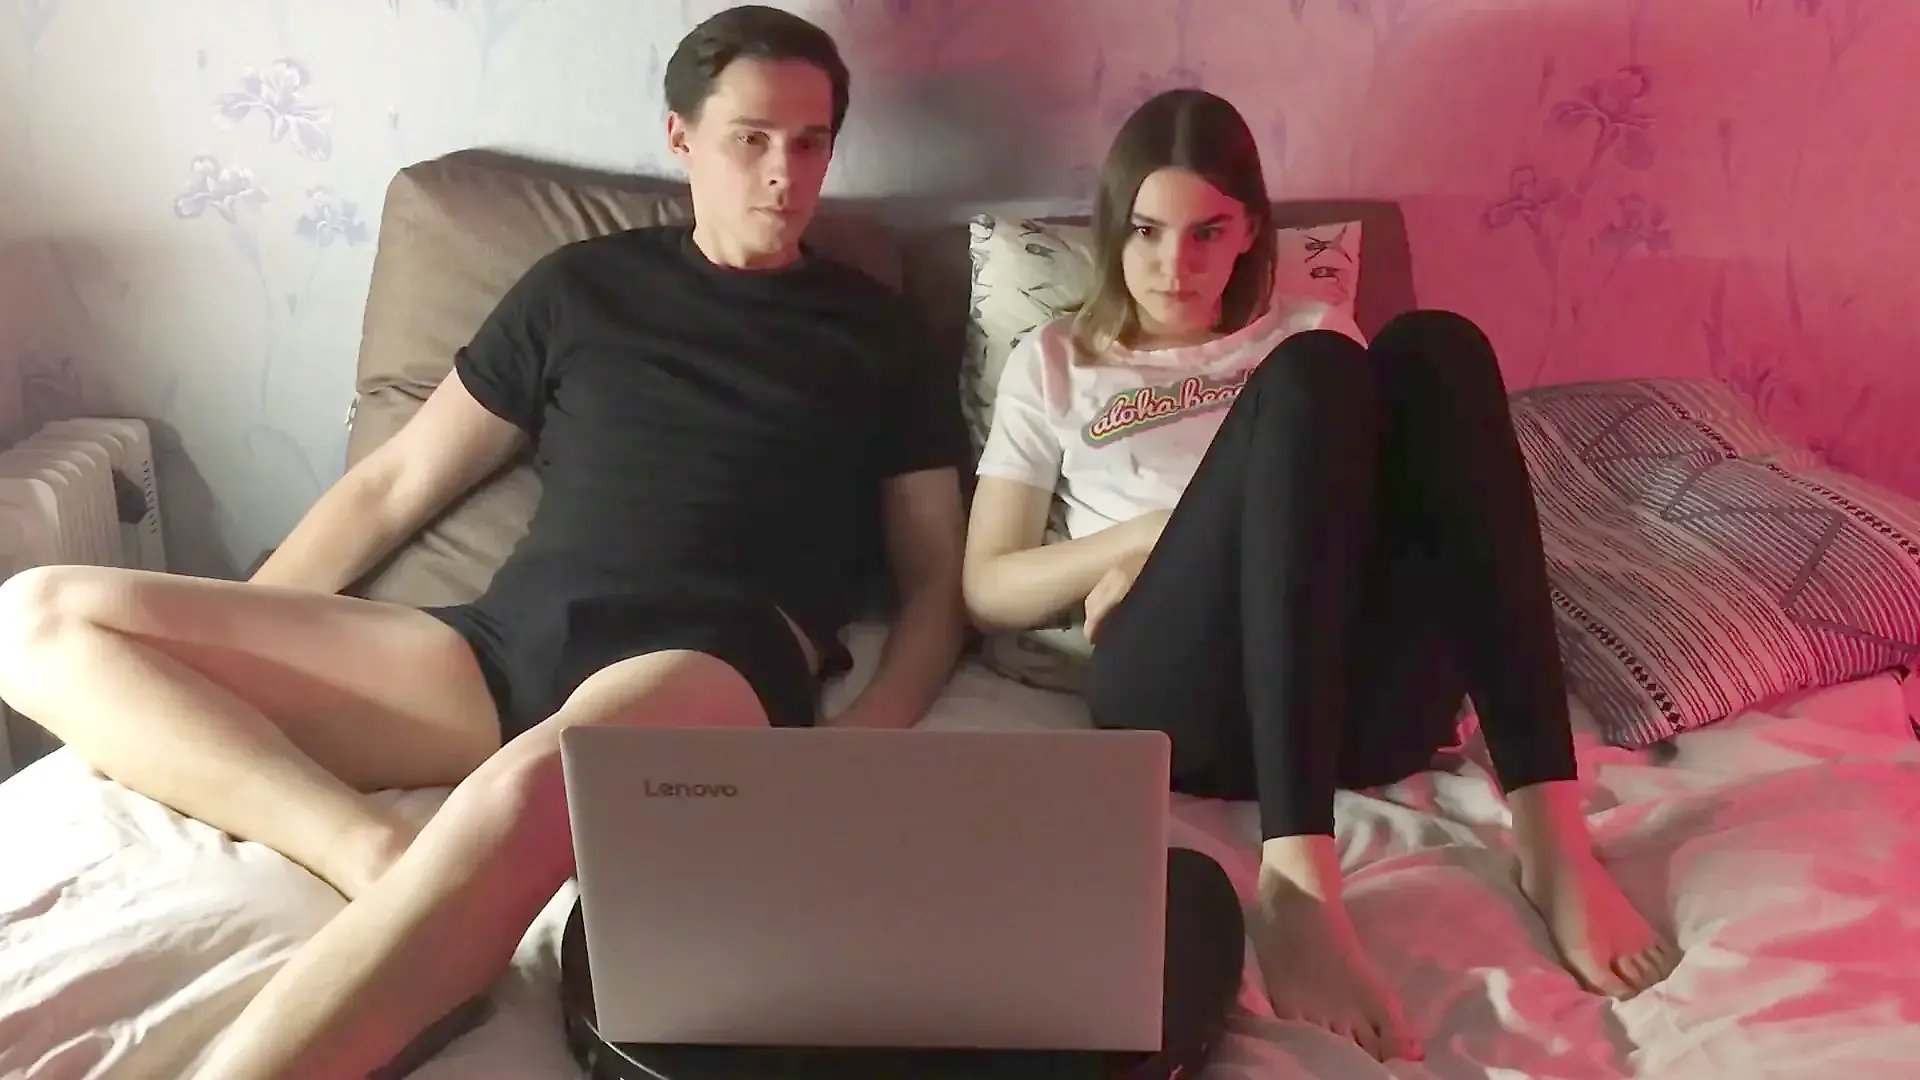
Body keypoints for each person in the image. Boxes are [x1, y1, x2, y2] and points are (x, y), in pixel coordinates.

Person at [0, 7, 969, 1079]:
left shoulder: (875, 329)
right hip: (503, 645)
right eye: (752, 137)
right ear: (682, 137)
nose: (785, 172)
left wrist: (859, 742)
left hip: (709, 653)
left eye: (811, 141)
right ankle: (368, 850)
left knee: (528, 788)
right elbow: (394, 485)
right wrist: (259, 627)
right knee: (34, 616)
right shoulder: (581, 287)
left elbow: (936, 580)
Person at [962, 87, 1681, 1064]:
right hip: (1182, 704)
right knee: (1307, 378)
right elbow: (989, 586)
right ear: (1111, 228)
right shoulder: (1057, 360)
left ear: (1251, 231)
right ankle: (1298, 879)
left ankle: (1551, 832)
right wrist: (1152, 538)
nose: (1175, 266)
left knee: (1437, 345)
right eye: (1146, 232)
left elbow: (1377, 525)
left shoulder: (1312, 328)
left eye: (1208, 233)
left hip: (1357, 708)